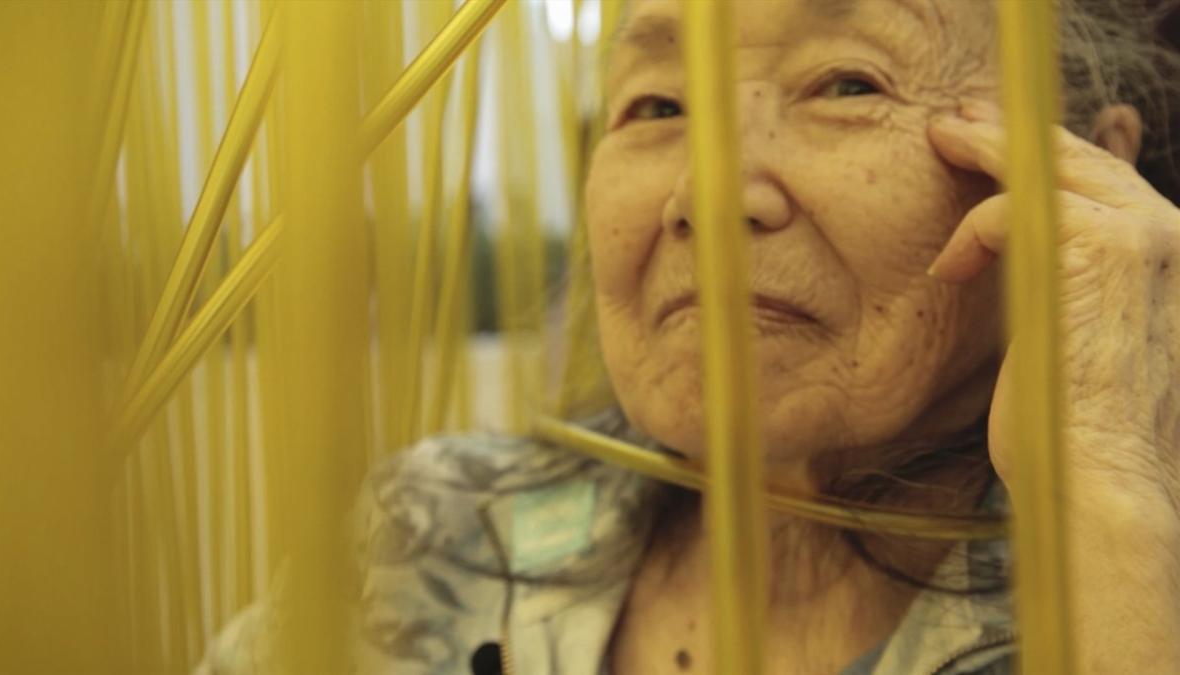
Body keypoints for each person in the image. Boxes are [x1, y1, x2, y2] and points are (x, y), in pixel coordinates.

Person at [203, 1, 1180, 673]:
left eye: (848, 84)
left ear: (1089, 167)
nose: (705, 192)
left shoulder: (1144, 578)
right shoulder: (430, 534)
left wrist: (1112, 512)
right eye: (657, 106)